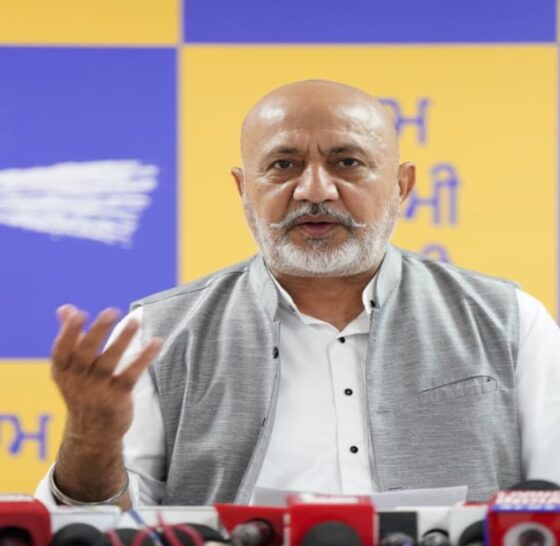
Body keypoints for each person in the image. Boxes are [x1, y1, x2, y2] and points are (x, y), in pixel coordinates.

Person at [36, 80, 560, 509]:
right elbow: (103, 535)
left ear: (402, 186)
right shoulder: (157, 335)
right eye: (283, 165)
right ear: (244, 189)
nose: (314, 190)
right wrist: (89, 438)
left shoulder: (509, 321)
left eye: (347, 162)